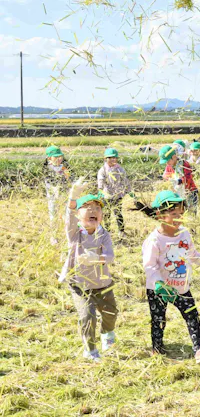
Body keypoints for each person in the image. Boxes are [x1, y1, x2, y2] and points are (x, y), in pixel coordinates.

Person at [135, 190, 200, 363]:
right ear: (160, 214)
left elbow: (191, 254)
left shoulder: (184, 233)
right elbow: (150, 266)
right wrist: (159, 284)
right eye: (174, 214)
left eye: (181, 214)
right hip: (160, 289)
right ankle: (157, 349)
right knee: (158, 319)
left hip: (181, 286)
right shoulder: (154, 240)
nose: (179, 217)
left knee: (192, 315)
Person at [59, 179, 118, 362]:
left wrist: (96, 259)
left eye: (97, 208)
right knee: (87, 315)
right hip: (80, 284)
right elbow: (68, 215)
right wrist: (73, 196)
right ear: (78, 215)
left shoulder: (103, 234)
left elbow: (110, 256)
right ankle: (90, 350)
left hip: (102, 284)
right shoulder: (74, 233)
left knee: (111, 313)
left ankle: (107, 334)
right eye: (87, 207)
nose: (93, 211)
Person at [97, 147, 132, 236]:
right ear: (105, 159)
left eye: (114, 158)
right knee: (107, 214)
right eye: (110, 158)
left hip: (118, 195)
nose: (113, 160)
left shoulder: (120, 169)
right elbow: (100, 181)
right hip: (107, 195)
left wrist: (129, 190)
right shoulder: (103, 170)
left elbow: (125, 180)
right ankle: (107, 231)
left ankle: (121, 231)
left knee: (118, 213)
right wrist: (100, 191)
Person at [44, 145, 72, 244]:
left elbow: (69, 179)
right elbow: (49, 182)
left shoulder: (64, 167)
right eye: (56, 157)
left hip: (64, 195)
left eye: (60, 156)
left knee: (67, 215)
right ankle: (54, 236)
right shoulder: (47, 169)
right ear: (49, 158)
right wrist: (55, 188)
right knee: (53, 216)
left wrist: (67, 176)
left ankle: (67, 235)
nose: (59, 159)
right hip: (53, 197)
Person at [160, 145, 198, 213]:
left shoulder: (184, 164)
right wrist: (167, 179)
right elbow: (165, 175)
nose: (167, 163)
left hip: (190, 192)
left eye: (168, 161)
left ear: (174, 157)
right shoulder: (169, 166)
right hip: (179, 192)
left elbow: (188, 178)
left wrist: (179, 181)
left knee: (191, 211)